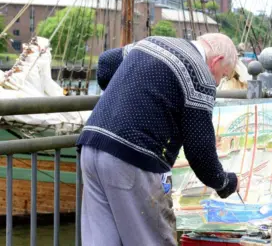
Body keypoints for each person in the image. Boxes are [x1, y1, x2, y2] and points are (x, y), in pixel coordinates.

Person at [76, 33, 241, 246]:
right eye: (224, 76)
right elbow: (200, 151)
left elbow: (107, 63)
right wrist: (226, 183)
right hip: (134, 157)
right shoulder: (201, 75)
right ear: (216, 61)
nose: (218, 82)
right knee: (154, 239)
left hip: (92, 144)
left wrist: (131, 98)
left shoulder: (155, 41)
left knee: (101, 241)